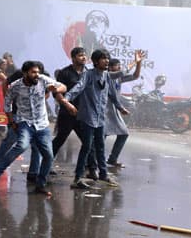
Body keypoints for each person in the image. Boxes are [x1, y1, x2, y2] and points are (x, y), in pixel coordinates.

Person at [0, 61, 67, 197]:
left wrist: (56, 89)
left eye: (37, 72)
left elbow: (63, 87)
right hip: (25, 122)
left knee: (48, 155)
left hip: (42, 124)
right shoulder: (16, 86)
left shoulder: (43, 80)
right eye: (33, 72)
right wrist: (11, 121)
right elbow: (7, 104)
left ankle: (40, 185)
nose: (36, 75)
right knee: (21, 146)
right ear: (25, 73)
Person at [62, 50, 125, 189]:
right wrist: (66, 99)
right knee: (87, 147)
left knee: (100, 147)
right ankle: (77, 178)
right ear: (96, 61)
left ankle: (103, 173)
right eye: (103, 58)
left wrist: (120, 108)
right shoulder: (88, 75)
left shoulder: (107, 76)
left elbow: (113, 94)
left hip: (101, 118)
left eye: (107, 58)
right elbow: (78, 88)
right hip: (88, 117)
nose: (107, 61)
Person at [104, 55, 143, 169]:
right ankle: (92, 162)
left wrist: (139, 63)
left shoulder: (119, 78)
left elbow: (135, 76)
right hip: (105, 110)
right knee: (102, 136)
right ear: (110, 68)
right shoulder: (107, 77)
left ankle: (112, 159)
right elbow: (112, 95)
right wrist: (135, 61)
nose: (120, 68)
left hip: (114, 110)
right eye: (117, 66)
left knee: (124, 133)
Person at [52, 47, 89, 162]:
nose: (84, 58)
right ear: (73, 58)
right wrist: (67, 105)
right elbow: (56, 93)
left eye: (84, 55)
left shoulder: (88, 73)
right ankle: (45, 164)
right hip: (67, 113)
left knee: (88, 142)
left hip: (83, 114)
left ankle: (90, 168)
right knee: (60, 140)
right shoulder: (65, 73)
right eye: (80, 55)